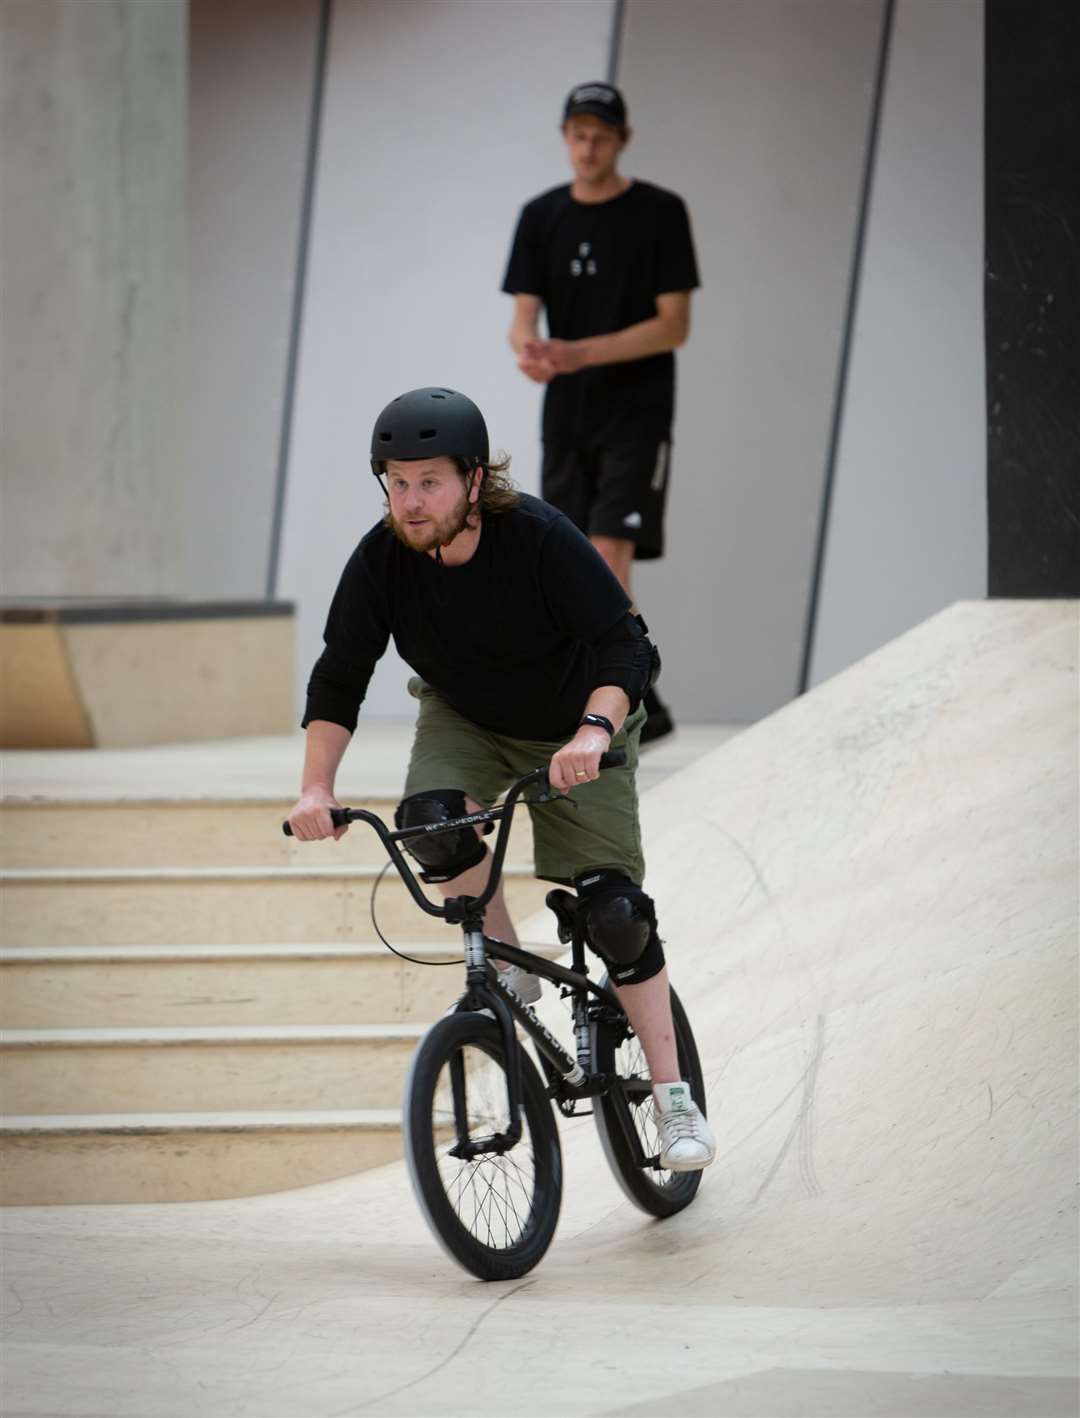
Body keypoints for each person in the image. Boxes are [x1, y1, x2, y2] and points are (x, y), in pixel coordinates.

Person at [287, 386, 714, 1172]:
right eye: (398, 482)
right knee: (430, 821)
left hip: (578, 720)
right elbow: (340, 673)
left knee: (617, 917)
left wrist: (594, 730)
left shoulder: (539, 539)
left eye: (430, 483)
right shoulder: (383, 557)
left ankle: (673, 1098)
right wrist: (317, 788)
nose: (411, 503)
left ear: (475, 481)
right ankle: (511, 967)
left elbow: (626, 646)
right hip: (468, 718)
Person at [502, 81, 700, 744]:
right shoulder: (540, 216)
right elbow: (522, 318)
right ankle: (642, 691)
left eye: (601, 136)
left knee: (611, 545)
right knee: (577, 553)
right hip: (567, 410)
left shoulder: (660, 212)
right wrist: (530, 352)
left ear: (623, 140)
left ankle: (615, 695)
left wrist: (581, 352)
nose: (588, 148)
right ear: (565, 138)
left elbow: (674, 325)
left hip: (637, 407)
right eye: (578, 135)